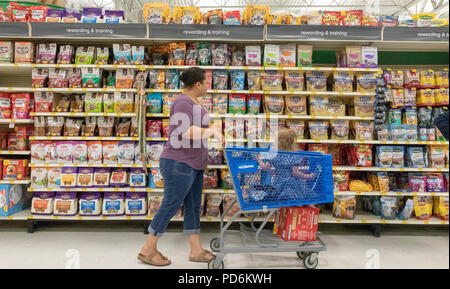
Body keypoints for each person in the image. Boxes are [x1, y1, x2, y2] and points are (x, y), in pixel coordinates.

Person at [138, 67, 225, 266]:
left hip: (193, 164)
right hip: (179, 162)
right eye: (206, 82)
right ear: (198, 84)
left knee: (193, 206)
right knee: (171, 204)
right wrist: (211, 132)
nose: (207, 86)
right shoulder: (182, 101)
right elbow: (184, 131)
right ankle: (147, 249)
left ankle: (195, 250)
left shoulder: (195, 102)